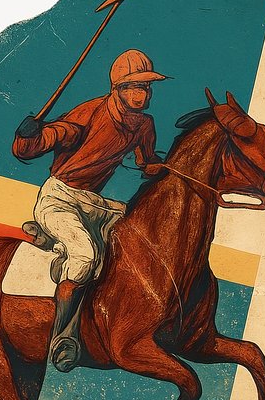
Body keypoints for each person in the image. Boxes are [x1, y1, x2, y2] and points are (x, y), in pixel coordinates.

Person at [12, 49, 167, 371]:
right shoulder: (90, 112)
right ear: (117, 89)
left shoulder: (144, 124)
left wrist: (160, 167)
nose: (142, 94)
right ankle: (62, 337)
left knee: (137, 228)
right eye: (135, 86)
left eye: (147, 87)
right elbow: (43, 142)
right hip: (60, 199)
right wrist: (28, 137)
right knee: (85, 256)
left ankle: (52, 241)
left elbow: (146, 161)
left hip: (94, 204)